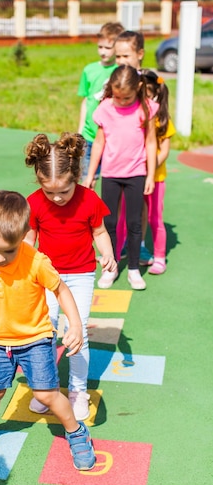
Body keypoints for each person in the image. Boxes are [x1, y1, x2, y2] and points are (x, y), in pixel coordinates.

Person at [0, 190, 96, 471]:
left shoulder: (36, 262)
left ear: (24, 234)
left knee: (46, 394)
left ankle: (76, 431)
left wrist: (76, 324)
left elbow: (61, 289)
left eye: (8, 251)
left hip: (35, 339)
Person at [24, 133, 116, 421]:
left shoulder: (89, 200)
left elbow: (99, 232)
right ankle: (46, 388)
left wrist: (108, 255)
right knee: (45, 331)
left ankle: (77, 391)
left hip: (81, 275)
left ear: (75, 175)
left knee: (79, 332)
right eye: (49, 191)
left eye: (63, 190)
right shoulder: (35, 203)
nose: (57, 198)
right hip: (47, 276)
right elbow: (30, 237)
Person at [83, 65, 158, 291]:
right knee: (109, 223)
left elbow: (151, 142)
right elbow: (98, 143)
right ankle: (111, 267)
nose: (121, 101)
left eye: (126, 97)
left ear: (138, 89)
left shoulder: (145, 109)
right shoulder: (105, 108)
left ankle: (134, 268)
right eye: (117, 96)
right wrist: (90, 174)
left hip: (136, 173)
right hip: (111, 174)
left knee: (135, 223)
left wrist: (150, 175)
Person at [114, 31, 154, 266]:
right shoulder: (114, 80)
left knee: (139, 205)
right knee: (115, 204)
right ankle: (116, 244)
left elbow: (152, 121)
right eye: (117, 56)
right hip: (116, 156)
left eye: (125, 55)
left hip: (138, 158)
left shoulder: (146, 83)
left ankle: (138, 245)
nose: (121, 61)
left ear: (139, 54)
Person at [78, 21, 124, 182]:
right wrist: (80, 130)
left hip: (112, 138)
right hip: (89, 135)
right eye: (100, 47)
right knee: (87, 180)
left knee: (111, 183)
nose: (103, 51)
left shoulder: (120, 71)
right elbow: (86, 100)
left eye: (108, 47)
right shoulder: (89, 70)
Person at [140, 69, 175, 275]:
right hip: (135, 176)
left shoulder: (162, 120)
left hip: (156, 178)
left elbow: (164, 152)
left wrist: (149, 169)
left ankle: (160, 256)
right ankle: (138, 247)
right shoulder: (136, 117)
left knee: (155, 217)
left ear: (154, 95)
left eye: (146, 95)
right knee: (133, 215)